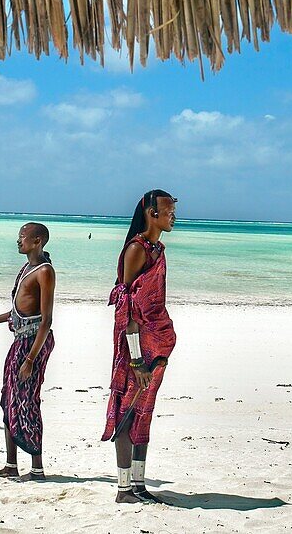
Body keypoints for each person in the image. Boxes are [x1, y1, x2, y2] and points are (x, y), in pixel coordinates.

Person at [102, 190, 178, 504]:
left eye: (174, 210)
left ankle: (139, 484)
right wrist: (136, 360)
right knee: (127, 412)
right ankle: (123, 489)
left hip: (155, 342)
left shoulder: (158, 249)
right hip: (136, 350)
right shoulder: (137, 249)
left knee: (144, 413)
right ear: (151, 212)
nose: (173, 215)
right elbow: (128, 306)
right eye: (168, 210)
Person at [0, 223, 56, 481]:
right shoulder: (26, 269)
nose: (18, 241)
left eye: (22, 237)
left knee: (27, 401)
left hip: (33, 343)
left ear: (37, 240)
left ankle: (37, 468)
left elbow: (46, 320)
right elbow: (20, 310)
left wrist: (30, 359)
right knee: (8, 399)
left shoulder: (45, 272)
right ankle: (10, 465)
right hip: (20, 340)